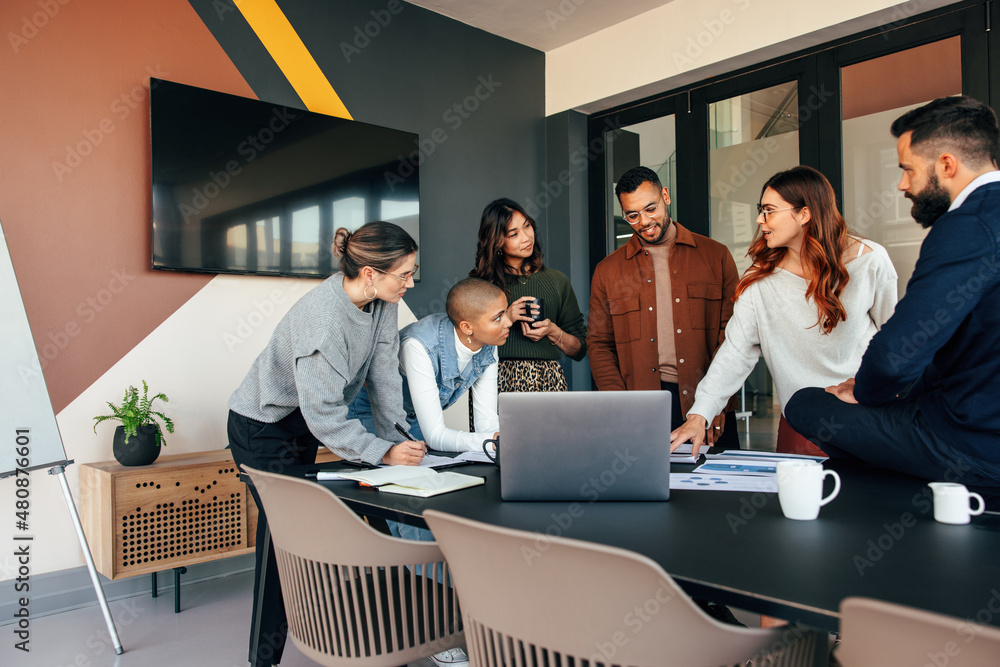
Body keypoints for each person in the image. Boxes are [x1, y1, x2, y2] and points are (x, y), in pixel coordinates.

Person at [227, 221, 426, 667]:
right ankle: (264, 658)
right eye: (405, 274)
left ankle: (364, 634)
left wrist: (399, 443)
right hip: (263, 427)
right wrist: (381, 453)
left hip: (303, 423)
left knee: (319, 525)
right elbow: (326, 418)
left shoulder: (382, 300)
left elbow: (382, 374)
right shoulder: (323, 320)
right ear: (371, 272)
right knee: (285, 535)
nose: (411, 283)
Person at [785, 95, 1000, 488]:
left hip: (968, 444)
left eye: (907, 170)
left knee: (806, 403)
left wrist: (863, 392)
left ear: (947, 165)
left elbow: (896, 356)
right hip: (974, 420)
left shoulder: (967, 226)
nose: (902, 184)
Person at [670, 166, 898, 457]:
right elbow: (736, 352)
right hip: (800, 425)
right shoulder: (759, 280)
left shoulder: (870, 261)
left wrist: (878, 391)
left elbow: (894, 342)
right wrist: (699, 414)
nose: (759, 220)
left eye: (768, 210)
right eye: (760, 210)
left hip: (865, 417)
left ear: (804, 214)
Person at [588, 166, 741, 449]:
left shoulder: (716, 257)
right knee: (646, 492)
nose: (644, 221)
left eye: (651, 208)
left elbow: (732, 338)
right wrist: (620, 405)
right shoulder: (607, 271)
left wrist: (716, 403)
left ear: (666, 196)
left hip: (706, 402)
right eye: (632, 215)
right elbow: (599, 344)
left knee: (718, 491)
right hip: (640, 408)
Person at [470, 198, 587, 394]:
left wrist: (552, 331)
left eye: (527, 226)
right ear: (497, 241)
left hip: (549, 381)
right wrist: (506, 317)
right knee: (495, 427)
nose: (526, 238)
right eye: (513, 234)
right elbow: (466, 343)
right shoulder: (480, 283)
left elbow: (579, 350)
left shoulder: (557, 281)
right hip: (492, 381)